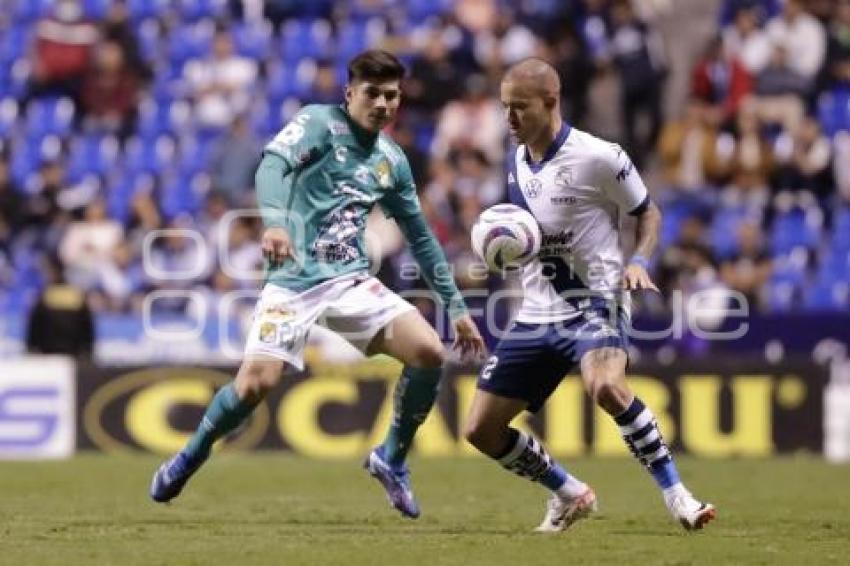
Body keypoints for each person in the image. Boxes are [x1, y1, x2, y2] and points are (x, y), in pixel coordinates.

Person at [150, 50, 485, 519]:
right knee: (254, 386)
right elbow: (271, 167)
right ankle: (192, 453)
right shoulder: (318, 123)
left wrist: (456, 308)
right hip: (294, 280)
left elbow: (421, 237)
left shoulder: (392, 159)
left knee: (429, 351)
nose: (384, 104)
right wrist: (275, 224)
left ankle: (390, 458)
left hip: (350, 280)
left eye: (392, 95)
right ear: (350, 94)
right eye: (373, 94)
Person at [462, 58, 716, 533]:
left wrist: (639, 261)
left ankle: (679, 496)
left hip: (597, 302)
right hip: (537, 311)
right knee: (480, 430)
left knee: (605, 387)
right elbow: (532, 236)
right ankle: (568, 492)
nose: (510, 119)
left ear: (551, 102)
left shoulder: (600, 156)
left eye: (520, 108)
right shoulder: (515, 158)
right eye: (504, 108)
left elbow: (649, 213)